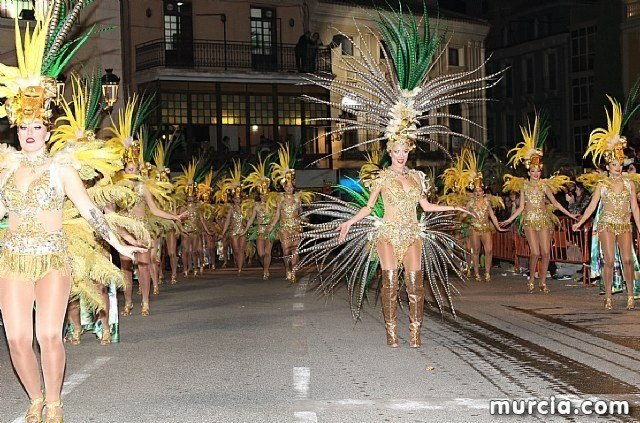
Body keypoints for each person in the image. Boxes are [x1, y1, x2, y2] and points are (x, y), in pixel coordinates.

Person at [574, 96, 640, 310]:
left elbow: (635, 208)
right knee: (610, 261)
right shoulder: (602, 184)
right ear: (607, 166)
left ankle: (631, 295)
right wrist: (580, 222)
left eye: (620, 164)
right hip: (606, 224)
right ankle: (609, 296)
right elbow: (592, 207)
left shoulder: (630, 184)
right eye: (613, 164)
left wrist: (639, 226)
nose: (617, 167)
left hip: (624, 224)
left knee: (628, 260)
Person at [501, 113, 578, 293]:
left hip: (544, 220)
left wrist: (570, 214)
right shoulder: (524, 187)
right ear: (529, 172)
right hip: (529, 220)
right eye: (533, 171)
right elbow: (520, 207)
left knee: (546, 253)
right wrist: (510, 219)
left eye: (538, 171)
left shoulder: (544, 185)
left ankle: (543, 281)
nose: (536, 173)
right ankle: (531, 278)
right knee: (535, 253)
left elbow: (556, 204)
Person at [268, 144, 313, 282]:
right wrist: (271, 226)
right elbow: (277, 215)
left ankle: (293, 271)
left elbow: (300, 212)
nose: (289, 188)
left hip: (296, 225)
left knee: (296, 250)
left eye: (291, 186)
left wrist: (306, 219)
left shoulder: (298, 198)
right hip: (283, 227)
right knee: (286, 250)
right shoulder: (280, 199)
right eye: (287, 187)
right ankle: (287, 268)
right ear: (284, 187)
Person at [244, 156, 277, 280]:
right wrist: (246, 229)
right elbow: (252, 218)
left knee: (268, 252)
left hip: (270, 230)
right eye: (261, 194)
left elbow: (277, 216)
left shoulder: (273, 204)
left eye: (265, 194)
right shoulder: (256, 205)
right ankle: (265, 267)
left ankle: (266, 270)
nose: (263, 196)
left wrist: (273, 225)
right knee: (260, 253)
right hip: (259, 230)